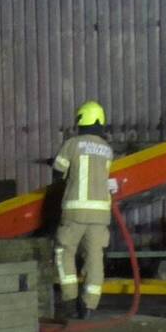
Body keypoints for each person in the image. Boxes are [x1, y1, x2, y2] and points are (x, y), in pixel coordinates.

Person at [53, 100, 117, 320]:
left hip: (74, 213)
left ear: (81, 120)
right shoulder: (107, 150)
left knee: (64, 252)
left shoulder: (72, 144)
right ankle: (89, 305)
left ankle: (69, 300)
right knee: (95, 259)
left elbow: (58, 172)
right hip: (100, 216)